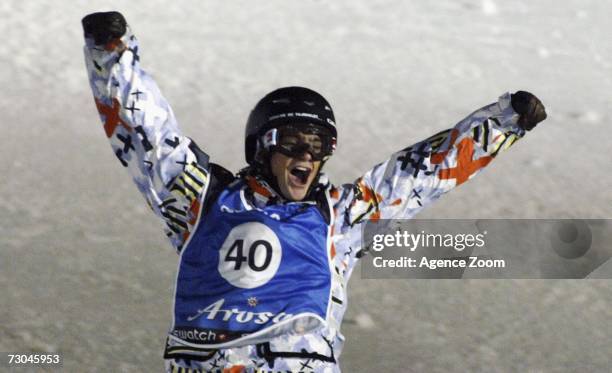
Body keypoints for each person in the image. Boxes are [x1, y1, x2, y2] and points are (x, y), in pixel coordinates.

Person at [82, 11, 547, 373]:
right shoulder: (201, 200)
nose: (306, 155)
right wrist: (110, 53)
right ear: (261, 148)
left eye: (319, 145)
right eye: (291, 143)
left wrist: (503, 122)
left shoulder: (340, 217)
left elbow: (419, 174)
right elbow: (146, 137)